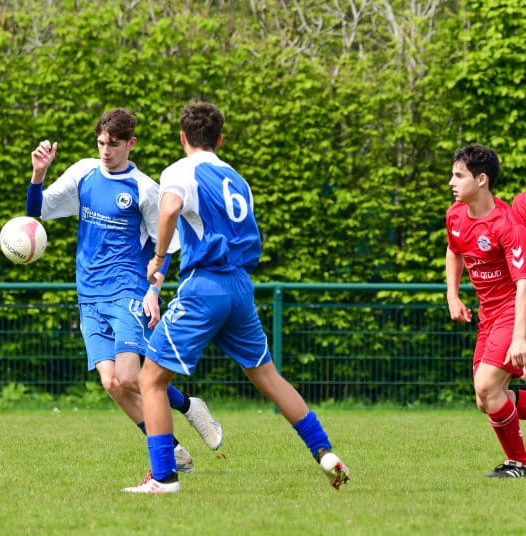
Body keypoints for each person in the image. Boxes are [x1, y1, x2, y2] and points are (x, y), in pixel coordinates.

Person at [125, 101, 350, 493]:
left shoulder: (180, 170)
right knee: (268, 377)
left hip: (204, 286)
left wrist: (158, 258)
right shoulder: (237, 179)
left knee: (151, 379)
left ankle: (163, 477)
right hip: (240, 286)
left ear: (182, 137)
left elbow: (171, 207)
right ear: (220, 139)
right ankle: (324, 451)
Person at [27, 108, 223, 475]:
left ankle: (186, 409)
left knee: (131, 377)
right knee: (112, 383)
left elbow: (167, 246)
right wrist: (39, 174)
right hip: (89, 294)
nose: (105, 151)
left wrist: (153, 291)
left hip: (128, 290)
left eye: (114, 145)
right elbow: (37, 209)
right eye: (101, 143)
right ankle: (173, 446)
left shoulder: (145, 189)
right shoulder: (84, 173)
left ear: (131, 144)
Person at [446, 144, 526, 478]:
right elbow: (454, 250)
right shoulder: (455, 215)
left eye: (459, 175)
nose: (451, 182)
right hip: (487, 317)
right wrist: (453, 296)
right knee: (486, 399)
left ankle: (519, 463)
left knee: (486, 387)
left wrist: (520, 337)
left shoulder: (507, 224)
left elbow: (523, 283)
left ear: (481, 180)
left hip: (513, 312)